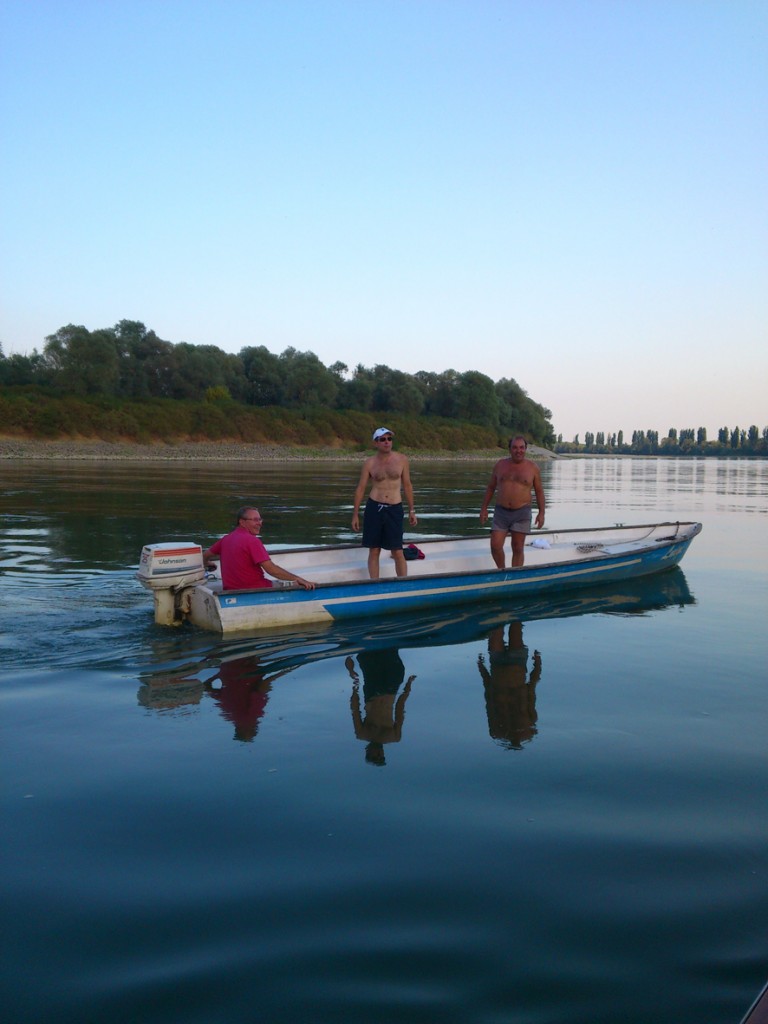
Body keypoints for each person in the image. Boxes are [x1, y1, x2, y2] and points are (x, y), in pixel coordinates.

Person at [351, 427, 418, 578]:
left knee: (397, 550)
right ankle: (375, 583)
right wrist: (355, 514)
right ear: (376, 443)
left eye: (389, 439)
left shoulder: (402, 460)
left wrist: (412, 510)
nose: (387, 442)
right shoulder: (370, 463)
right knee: (374, 550)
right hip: (374, 507)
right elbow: (360, 488)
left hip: (395, 508)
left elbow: (407, 485)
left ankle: (403, 584)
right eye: (383, 439)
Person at [202, 506, 315, 591]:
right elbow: (271, 570)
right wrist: (298, 579)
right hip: (256, 589)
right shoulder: (252, 541)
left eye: (260, 520)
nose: (259, 523)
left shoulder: (226, 539)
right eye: (255, 520)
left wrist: (207, 563)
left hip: (231, 590)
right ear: (242, 522)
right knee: (297, 584)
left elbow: (205, 555)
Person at [479, 436, 545, 568]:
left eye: (521, 448)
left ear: (525, 449)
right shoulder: (500, 465)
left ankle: (516, 575)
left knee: (517, 547)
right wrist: (484, 508)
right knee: (495, 546)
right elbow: (491, 487)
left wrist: (541, 513)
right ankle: (502, 570)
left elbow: (539, 491)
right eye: (515, 447)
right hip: (501, 512)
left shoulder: (532, 468)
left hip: (522, 512)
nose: (518, 451)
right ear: (509, 449)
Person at [477, 621, 541, 750]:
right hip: (517, 663)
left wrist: (482, 669)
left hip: (497, 665)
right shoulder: (528, 726)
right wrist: (537, 665)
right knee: (515, 623)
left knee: (496, 625)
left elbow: (488, 695)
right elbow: (532, 688)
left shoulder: (496, 730)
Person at [346, 651, 416, 766]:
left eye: (376, 756)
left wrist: (354, 686)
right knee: (389, 652)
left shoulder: (362, 733)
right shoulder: (394, 737)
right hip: (391, 687)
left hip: (373, 691)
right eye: (381, 756)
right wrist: (408, 687)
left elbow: (355, 709)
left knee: (367, 656)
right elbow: (400, 710)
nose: (379, 753)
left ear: (368, 753)